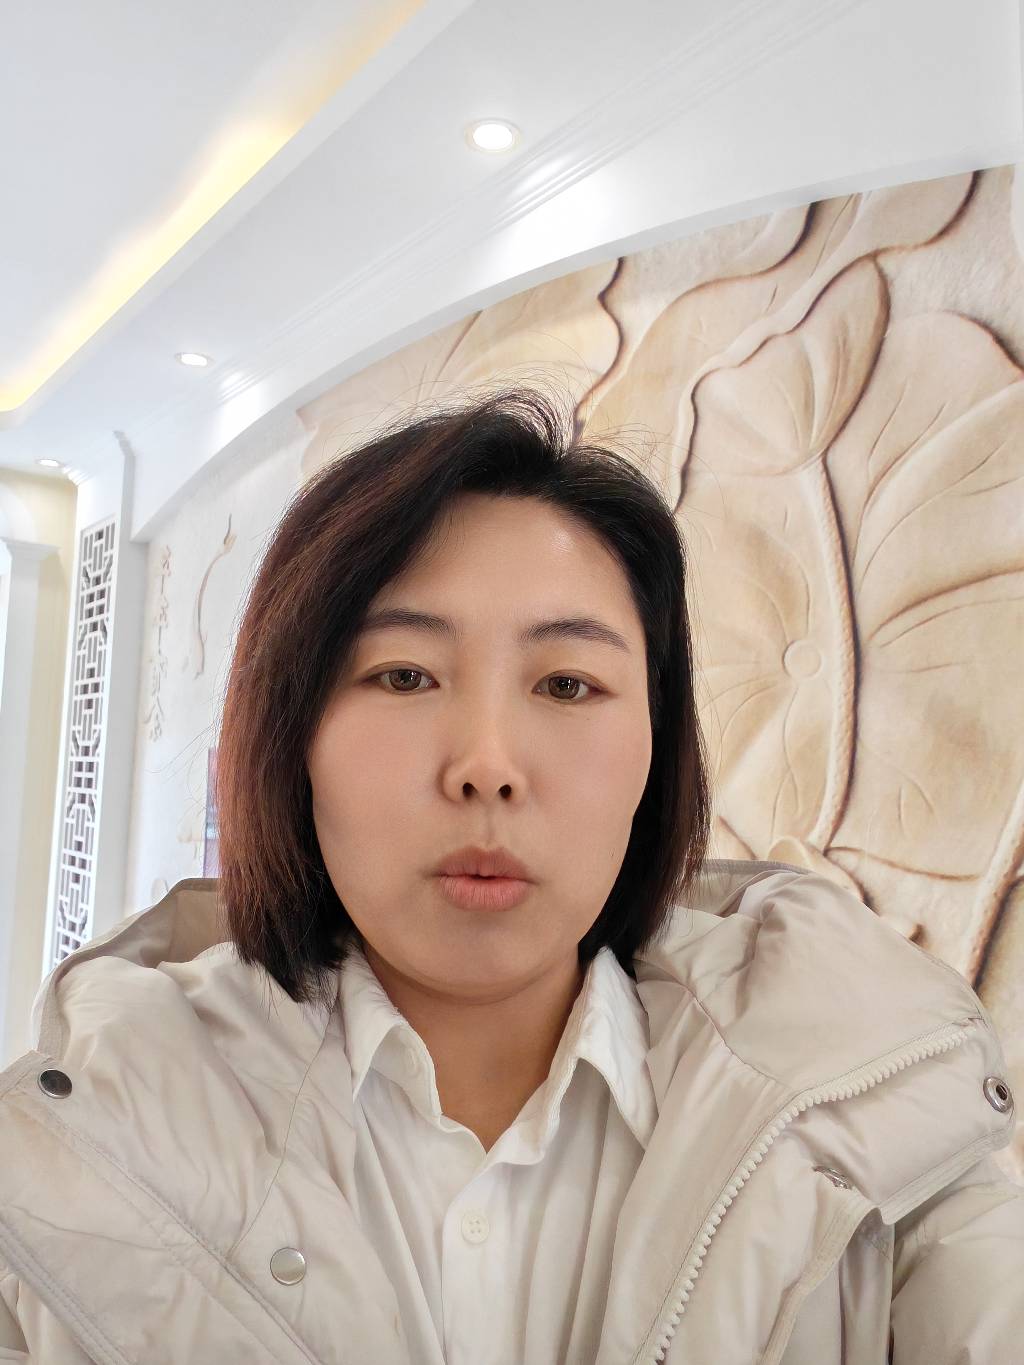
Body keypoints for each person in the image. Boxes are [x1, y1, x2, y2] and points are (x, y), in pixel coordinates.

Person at [1, 385, 1021, 1363]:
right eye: (404, 675)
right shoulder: (74, 1152)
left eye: (567, 684)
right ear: (293, 733)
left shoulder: (875, 1122)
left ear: (656, 748)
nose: (486, 764)